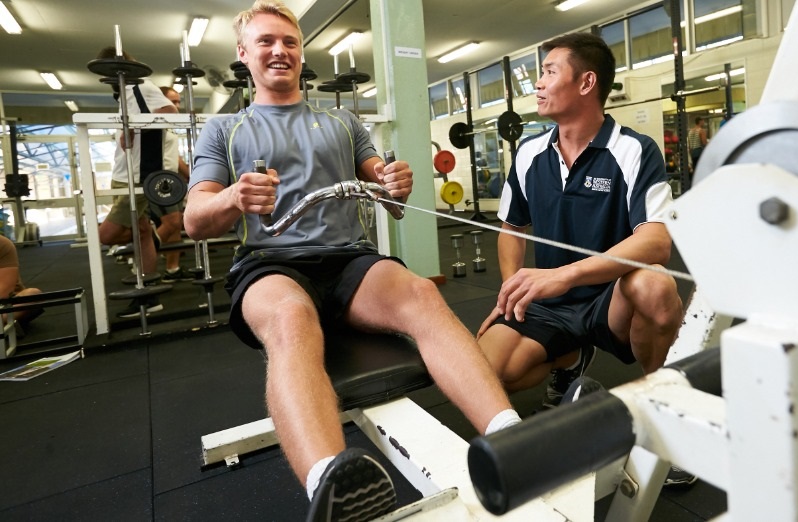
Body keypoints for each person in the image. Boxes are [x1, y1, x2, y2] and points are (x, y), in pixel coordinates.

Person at [183, 2, 519, 519]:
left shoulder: (342, 122)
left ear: (301, 52)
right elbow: (194, 219)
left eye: (290, 42)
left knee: (422, 293)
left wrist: (394, 183)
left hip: (348, 261)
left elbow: (388, 194)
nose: (280, 51)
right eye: (267, 42)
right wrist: (232, 198)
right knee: (292, 320)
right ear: (244, 55)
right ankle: (330, 484)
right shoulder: (224, 129)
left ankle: (512, 439)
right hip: (270, 263)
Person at [476, 32, 684, 420]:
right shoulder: (528, 153)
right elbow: (511, 227)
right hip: (549, 301)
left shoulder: (634, 150)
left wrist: (567, 276)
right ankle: (569, 359)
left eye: (549, 72)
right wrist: (512, 290)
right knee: (488, 371)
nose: (538, 83)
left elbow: (657, 242)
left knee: (655, 284)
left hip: (612, 299)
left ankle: (664, 407)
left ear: (586, 83)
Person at [95, 47, 179, 318]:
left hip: (139, 175)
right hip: (122, 173)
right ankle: (149, 296)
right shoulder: (124, 92)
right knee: (141, 232)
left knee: (105, 236)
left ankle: (153, 243)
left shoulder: (141, 85)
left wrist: (135, 127)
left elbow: (170, 112)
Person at [153, 86, 194, 283]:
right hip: (159, 180)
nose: (177, 106)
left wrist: (192, 176)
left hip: (172, 179)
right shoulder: (153, 124)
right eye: (172, 101)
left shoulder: (167, 127)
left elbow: (175, 158)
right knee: (172, 222)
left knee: (176, 224)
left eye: (178, 101)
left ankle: (172, 269)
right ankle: (144, 257)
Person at [0, 235, 43, 327]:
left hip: (7, 301)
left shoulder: (3, 244)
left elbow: (4, 290)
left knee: (33, 294)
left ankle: (5, 322)